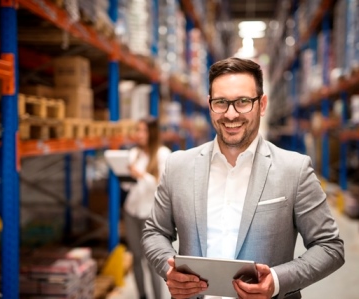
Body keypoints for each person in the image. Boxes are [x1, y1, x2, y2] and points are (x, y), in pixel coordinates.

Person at [142, 57, 345, 299]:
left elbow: (329, 246)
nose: (230, 114)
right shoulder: (178, 166)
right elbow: (155, 231)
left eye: (243, 102)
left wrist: (277, 281)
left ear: (262, 105)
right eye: (221, 103)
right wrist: (169, 270)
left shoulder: (294, 170)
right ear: (209, 105)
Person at [122, 116, 171, 299]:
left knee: (152, 261)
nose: (139, 134)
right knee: (136, 257)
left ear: (152, 132)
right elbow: (127, 187)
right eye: (137, 130)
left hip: (150, 214)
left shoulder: (162, 154)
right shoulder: (134, 153)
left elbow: (162, 187)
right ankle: (142, 295)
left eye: (143, 130)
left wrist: (141, 175)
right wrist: (125, 175)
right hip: (131, 210)